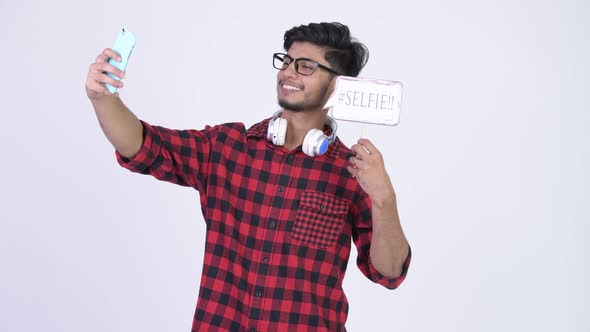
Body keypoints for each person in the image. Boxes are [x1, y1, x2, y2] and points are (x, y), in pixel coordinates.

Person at [86, 22, 411, 332]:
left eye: (305, 66)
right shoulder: (227, 147)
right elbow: (145, 146)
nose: (288, 72)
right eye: (286, 61)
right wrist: (104, 98)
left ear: (338, 85)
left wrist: (384, 199)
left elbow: (389, 272)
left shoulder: (356, 172)